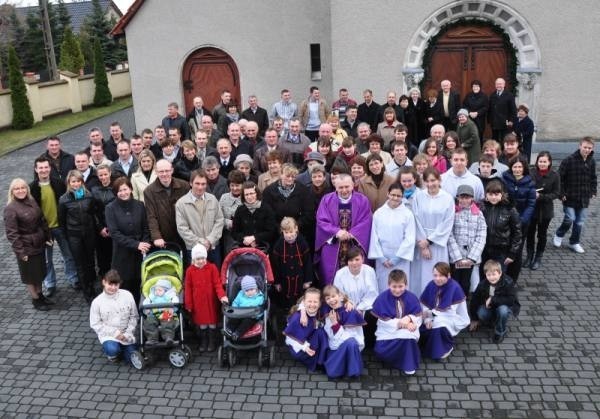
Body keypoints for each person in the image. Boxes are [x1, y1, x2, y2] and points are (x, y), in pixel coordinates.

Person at [30, 156, 78, 297]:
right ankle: (50, 284)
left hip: (60, 226)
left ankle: (73, 278)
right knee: (46, 259)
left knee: (68, 255)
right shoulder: (32, 188)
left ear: (50, 168)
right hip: (43, 230)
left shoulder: (58, 183)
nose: (44, 170)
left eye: (46, 167)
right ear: (36, 169)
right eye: (41, 168)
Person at [315, 174, 372, 286]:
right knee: (330, 275)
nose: (344, 190)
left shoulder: (362, 200)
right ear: (335, 187)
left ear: (353, 185)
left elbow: (366, 220)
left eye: (347, 186)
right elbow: (321, 220)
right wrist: (336, 232)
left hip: (355, 244)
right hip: (333, 244)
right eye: (340, 187)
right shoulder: (327, 200)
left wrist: (352, 233)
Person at [4, 178, 52, 311]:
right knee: (30, 276)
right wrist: (20, 252)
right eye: (17, 189)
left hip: (38, 243)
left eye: (23, 187)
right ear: (12, 191)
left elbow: (42, 220)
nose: (21, 191)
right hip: (26, 247)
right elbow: (12, 233)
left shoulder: (31, 201)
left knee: (39, 272)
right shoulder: (10, 208)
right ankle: (36, 300)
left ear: (27, 188)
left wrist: (47, 236)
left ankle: (41, 296)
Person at [105, 177, 151, 301]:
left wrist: (145, 244)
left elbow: (146, 227)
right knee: (124, 285)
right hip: (122, 253)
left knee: (140, 283)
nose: (123, 193)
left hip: (140, 253)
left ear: (130, 189)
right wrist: (136, 244)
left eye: (125, 189)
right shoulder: (110, 208)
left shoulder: (140, 205)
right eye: (119, 191)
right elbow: (114, 233)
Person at [410, 168, 455, 296]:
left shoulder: (447, 198)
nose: (430, 184)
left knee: (438, 274)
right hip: (421, 244)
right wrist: (423, 244)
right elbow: (416, 220)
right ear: (424, 182)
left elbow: (447, 222)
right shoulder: (419, 196)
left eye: (433, 180)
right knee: (421, 276)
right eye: (427, 181)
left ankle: (439, 303)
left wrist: (429, 241)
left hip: (438, 244)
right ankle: (422, 303)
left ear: (439, 180)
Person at [59, 170, 99, 303]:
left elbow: (94, 214)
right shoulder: (64, 199)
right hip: (74, 236)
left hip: (89, 234)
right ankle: (86, 291)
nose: (76, 184)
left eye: (78, 181)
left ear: (82, 182)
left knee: (90, 262)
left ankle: (92, 286)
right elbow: (62, 221)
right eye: (73, 181)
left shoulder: (89, 196)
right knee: (80, 264)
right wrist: (68, 237)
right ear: (69, 183)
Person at [372, 270, 422, 375]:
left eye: (400, 286)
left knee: (408, 337)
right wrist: (404, 323)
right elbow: (384, 321)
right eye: (394, 286)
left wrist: (410, 318)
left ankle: (408, 364)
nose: (397, 290)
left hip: (408, 330)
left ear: (406, 285)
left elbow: (418, 316)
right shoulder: (382, 298)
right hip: (387, 332)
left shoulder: (412, 297)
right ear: (388, 285)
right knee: (380, 351)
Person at [368, 183, 416, 292]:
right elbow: (374, 237)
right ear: (388, 194)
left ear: (402, 196)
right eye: (393, 195)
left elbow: (409, 238)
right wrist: (381, 258)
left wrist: (396, 258)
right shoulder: (379, 213)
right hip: (383, 257)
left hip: (400, 258)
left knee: (400, 285)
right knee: (383, 285)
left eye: (398, 196)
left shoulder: (407, 214)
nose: (395, 198)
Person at [553, 137, 597, 254]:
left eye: (589, 148)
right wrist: (561, 193)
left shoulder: (592, 161)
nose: (587, 150)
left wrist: (593, 190)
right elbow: (559, 178)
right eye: (585, 147)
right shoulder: (569, 160)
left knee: (579, 221)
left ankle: (574, 242)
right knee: (570, 218)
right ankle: (559, 234)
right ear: (580, 146)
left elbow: (593, 178)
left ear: (592, 149)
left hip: (584, 198)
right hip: (569, 196)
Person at [419, 262, 470, 360]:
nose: (438, 278)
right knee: (421, 327)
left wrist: (430, 317)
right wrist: (427, 320)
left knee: (438, 326)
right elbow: (425, 304)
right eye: (435, 275)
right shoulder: (431, 284)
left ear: (449, 275)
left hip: (452, 318)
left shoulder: (454, 287)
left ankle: (445, 347)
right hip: (434, 315)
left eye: (441, 275)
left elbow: (449, 312)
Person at [175, 169, 225, 267]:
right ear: (190, 183)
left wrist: (210, 240)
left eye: (203, 184)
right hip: (194, 249)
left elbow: (219, 221)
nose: (200, 187)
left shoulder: (212, 199)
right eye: (197, 183)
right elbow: (182, 228)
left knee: (214, 278)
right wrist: (200, 243)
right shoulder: (181, 203)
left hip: (213, 247)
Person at [332, 247, 379, 348]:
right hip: (347, 305)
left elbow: (373, 293)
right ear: (347, 261)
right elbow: (338, 294)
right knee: (349, 314)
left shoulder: (369, 271)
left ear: (362, 259)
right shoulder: (340, 274)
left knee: (373, 315)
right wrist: (347, 302)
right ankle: (351, 342)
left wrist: (361, 308)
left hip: (365, 306)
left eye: (357, 259)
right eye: (351, 260)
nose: (354, 263)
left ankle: (369, 342)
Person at [89, 270, 138, 365]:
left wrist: (128, 333)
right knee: (112, 349)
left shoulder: (127, 295)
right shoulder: (97, 302)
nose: (113, 288)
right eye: (110, 284)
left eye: (116, 285)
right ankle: (112, 354)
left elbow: (134, 316)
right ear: (104, 282)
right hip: (109, 335)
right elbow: (95, 324)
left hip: (127, 335)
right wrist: (115, 333)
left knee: (130, 359)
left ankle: (124, 350)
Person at [184, 244, 227, 352]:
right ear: (194, 259)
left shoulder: (212, 268)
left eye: (203, 258)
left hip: (211, 301)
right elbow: (188, 288)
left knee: (212, 322)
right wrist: (188, 304)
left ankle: (212, 340)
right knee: (202, 323)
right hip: (198, 302)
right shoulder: (190, 271)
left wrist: (222, 296)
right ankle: (204, 340)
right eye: (198, 259)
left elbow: (217, 284)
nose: (201, 261)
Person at [448, 185, 487, 296]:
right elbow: (449, 235)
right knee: (454, 283)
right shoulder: (453, 213)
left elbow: (481, 236)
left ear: (472, 199)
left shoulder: (478, 214)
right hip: (456, 258)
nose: (464, 200)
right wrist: (457, 257)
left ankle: (464, 304)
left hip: (470, 258)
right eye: (462, 197)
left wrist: (472, 257)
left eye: (467, 197)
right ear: (458, 198)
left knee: (466, 284)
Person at [262, 163, 315, 245]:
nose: (290, 179)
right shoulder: (268, 191)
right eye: (287, 176)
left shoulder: (304, 191)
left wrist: (294, 228)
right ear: (281, 175)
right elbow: (267, 214)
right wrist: (281, 229)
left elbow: (309, 214)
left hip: (299, 233)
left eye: (293, 176)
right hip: (276, 235)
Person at [502, 156, 536, 281]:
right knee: (506, 248)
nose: (517, 169)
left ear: (524, 168)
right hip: (506, 220)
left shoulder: (530, 182)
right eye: (515, 167)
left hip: (522, 222)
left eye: (520, 167)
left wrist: (522, 220)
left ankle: (513, 279)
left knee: (517, 249)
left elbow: (531, 204)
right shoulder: (505, 179)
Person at [469, 260, 520, 344]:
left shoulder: (508, 282)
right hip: (490, 307)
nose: (491, 277)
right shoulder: (482, 284)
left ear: (500, 273)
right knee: (481, 313)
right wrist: (474, 319)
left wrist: (493, 300)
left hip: (505, 306)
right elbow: (474, 300)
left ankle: (500, 332)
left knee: (502, 310)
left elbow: (511, 300)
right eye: (488, 275)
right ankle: (494, 320)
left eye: (494, 274)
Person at [144, 159, 190, 251]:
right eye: (161, 171)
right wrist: (156, 237)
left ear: (172, 170)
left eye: (167, 171)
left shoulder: (184, 186)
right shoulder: (149, 191)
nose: (164, 174)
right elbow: (151, 216)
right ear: (156, 172)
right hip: (163, 238)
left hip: (184, 235)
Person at [270, 217, 313, 313]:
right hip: (284, 280)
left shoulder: (302, 243)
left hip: (299, 279)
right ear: (282, 232)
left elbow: (308, 263)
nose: (289, 235)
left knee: (300, 301)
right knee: (284, 303)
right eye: (286, 233)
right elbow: (275, 266)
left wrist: (307, 280)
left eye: (291, 232)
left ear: (296, 229)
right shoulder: (279, 245)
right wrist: (276, 282)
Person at [322, 285, 366, 379]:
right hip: (336, 344)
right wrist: (333, 323)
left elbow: (351, 336)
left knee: (351, 343)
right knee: (332, 373)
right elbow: (331, 334)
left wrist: (335, 324)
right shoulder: (329, 311)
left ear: (340, 296)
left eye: (333, 296)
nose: (331, 300)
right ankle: (340, 368)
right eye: (328, 298)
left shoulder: (350, 311)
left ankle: (353, 371)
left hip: (350, 343)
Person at [526, 152, 560, 270]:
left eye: (544, 161)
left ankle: (538, 257)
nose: (542, 164)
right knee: (529, 233)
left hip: (545, 210)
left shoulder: (554, 175)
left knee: (542, 234)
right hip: (531, 208)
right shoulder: (531, 173)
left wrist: (541, 197)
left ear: (549, 162)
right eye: (540, 161)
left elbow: (556, 193)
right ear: (537, 162)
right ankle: (529, 255)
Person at [480, 180, 522, 275]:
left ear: (501, 194)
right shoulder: (482, 208)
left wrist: (512, 253)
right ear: (486, 195)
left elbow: (517, 233)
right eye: (491, 194)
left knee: (498, 276)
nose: (493, 197)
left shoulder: (510, 209)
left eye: (496, 194)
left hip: (501, 251)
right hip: (484, 250)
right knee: (484, 275)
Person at [283, 288, 328, 372]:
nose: (312, 304)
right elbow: (289, 338)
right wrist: (304, 347)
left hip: (311, 336)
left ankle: (322, 361)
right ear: (304, 302)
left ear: (320, 303)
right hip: (299, 343)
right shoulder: (297, 317)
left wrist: (347, 301)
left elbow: (333, 301)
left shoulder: (319, 310)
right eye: (309, 301)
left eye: (315, 302)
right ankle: (313, 362)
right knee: (299, 354)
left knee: (321, 332)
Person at [231, 181, 278, 250]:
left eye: (251, 193)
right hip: (243, 247)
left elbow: (271, 231)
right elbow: (234, 232)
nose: (249, 197)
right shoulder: (240, 210)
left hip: (263, 247)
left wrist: (255, 238)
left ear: (256, 193)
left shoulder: (266, 209)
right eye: (246, 194)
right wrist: (244, 239)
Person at [224, 275, 266, 341]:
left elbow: (261, 308)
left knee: (246, 323)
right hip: (239, 314)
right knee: (234, 319)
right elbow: (235, 302)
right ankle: (229, 330)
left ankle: (237, 333)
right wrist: (234, 310)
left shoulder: (259, 297)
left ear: (256, 288)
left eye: (251, 289)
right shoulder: (240, 294)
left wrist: (257, 315)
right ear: (243, 290)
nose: (249, 292)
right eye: (246, 291)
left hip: (252, 317)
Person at [92, 165, 116, 280]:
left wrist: (112, 228)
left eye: (105, 174)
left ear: (110, 173)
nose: (103, 177)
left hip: (115, 227)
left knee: (115, 255)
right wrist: (100, 227)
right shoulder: (94, 190)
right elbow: (94, 211)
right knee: (102, 257)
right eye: (100, 175)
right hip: (101, 229)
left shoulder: (116, 187)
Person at [142, 278, 179, 345]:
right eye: (156, 290)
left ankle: (168, 338)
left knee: (168, 322)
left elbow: (175, 302)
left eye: (160, 290)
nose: (157, 291)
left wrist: (172, 309)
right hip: (154, 313)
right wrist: (146, 309)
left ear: (166, 291)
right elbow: (146, 302)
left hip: (166, 312)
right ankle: (152, 339)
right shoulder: (152, 297)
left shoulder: (170, 297)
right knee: (149, 322)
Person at [219, 170, 245, 253]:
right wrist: (229, 223)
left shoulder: (247, 196)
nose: (234, 188)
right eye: (232, 185)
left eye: (237, 185)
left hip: (244, 235)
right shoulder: (224, 197)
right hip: (228, 235)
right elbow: (218, 217)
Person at [488, 78, 517, 143]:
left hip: (505, 124)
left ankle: (504, 153)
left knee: (504, 141)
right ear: (495, 85)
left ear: (504, 85)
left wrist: (511, 121)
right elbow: (490, 109)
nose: (499, 85)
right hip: (494, 123)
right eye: (497, 84)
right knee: (495, 141)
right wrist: (489, 120)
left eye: (500, 84)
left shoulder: (509, 95)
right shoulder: (492, 95)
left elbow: (513, 110)